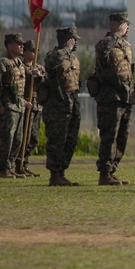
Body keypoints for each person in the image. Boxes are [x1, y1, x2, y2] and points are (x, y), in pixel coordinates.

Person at [94, 12, 134, 186]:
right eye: (125, 24)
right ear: (115, 24)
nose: (127, 27)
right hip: (110, 97)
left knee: (122, 137)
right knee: (109, 136)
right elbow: (103, 53)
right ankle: (105, 173)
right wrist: (116, 34)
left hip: (125, 98)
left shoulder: (126, 45)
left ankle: (113, 169)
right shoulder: (105, 43)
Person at [42, 27, 82, 187]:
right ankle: (55, 174)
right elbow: (52, 65)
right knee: (57, 139)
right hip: (58, 105)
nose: (77, 42)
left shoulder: (72, 57)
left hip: (72, 103)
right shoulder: (54, 55)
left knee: (70, 139)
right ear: (67, 40)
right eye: (74, 39)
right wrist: (66, 48)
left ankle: (62, 172)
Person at [0, 33, 30, 179]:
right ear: (10, 45)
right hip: (7, 107)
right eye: (18, 44)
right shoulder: (2, 64)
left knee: (18, 139)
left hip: (19, 106)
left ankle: (10, 167)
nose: (22, 46)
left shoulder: (19, 64)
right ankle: (3, 169)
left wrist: (24, 103)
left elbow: (19, 89)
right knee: (7, 138)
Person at [12, 39, 45, 178]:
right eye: (32, 50)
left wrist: (40, 77)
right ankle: (18, 164)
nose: (35, 53)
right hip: (26, 104)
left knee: (34, 138)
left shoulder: (39, 67)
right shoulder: (21, 67)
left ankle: (25, 163)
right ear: (24, 52)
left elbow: (45, 84)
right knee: (23, 137)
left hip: (37, 106)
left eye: (36, 50)